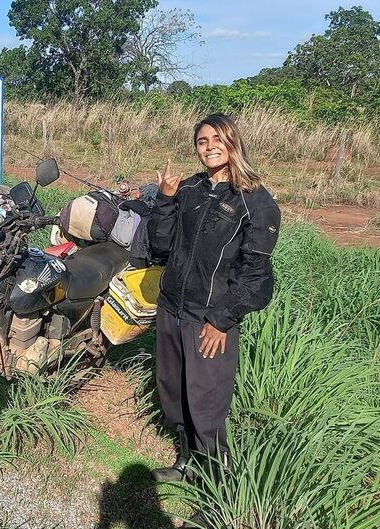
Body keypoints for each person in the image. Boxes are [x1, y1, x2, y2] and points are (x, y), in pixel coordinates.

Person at [147, 113, 280, 491]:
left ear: (233, 142)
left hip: (209, 319)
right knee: (173, 392)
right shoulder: (190, 189)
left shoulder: (256, 202)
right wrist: (166, 201)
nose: (209, 148)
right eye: (202, 141)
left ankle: (218, 489)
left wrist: (222, 320)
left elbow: (256, 277)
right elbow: (160, 246)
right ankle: (186, 462)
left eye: (217, 139)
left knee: (206, 405)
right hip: (172, 307)